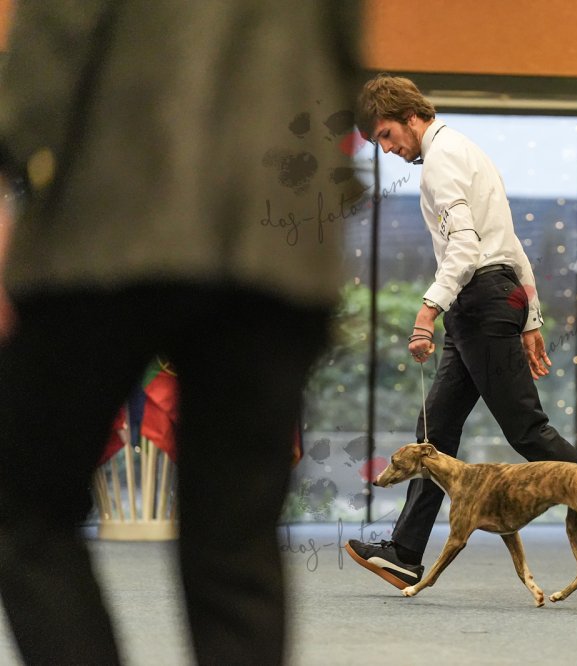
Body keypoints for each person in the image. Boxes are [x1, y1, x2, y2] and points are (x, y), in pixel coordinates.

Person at [0, 2, 362, 664]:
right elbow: (341, 50)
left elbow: (54, 41)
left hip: (110, 226)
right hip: (279, 239)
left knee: (24, 510)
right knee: (236, 543)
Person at [346, 74, 577, 605]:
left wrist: (427, 310)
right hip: (486, 302)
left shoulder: (441, 161)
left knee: (527, 430)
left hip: (478, 303)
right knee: (435, 429)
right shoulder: (467, 151)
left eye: (386, 135)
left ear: (409, 117)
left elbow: (467, 249)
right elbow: (509, 244)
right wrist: (530, 317)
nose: (388, 149)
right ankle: (404, 552)